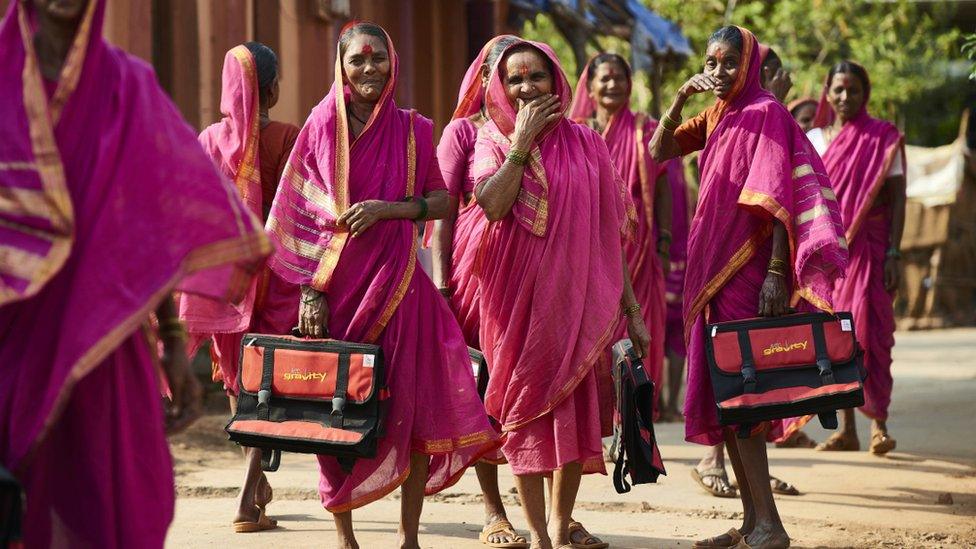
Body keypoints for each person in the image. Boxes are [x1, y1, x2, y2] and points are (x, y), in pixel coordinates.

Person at [0, 0, 270, 547]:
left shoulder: (128, 87)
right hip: (13, 335)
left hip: (106, 335)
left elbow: (155, 231)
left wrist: (172, 339)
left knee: (112, 503)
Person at [265, 22, 500, 549]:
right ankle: (345, 536)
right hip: (334, 292)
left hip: (400, 288)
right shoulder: (321, 126)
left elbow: (443, 201)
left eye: (379, 59)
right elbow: (296, 211)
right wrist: (310, 291)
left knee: (411, 408)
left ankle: (407, 536)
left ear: (394, 64)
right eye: (358, 60)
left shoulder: (416, 129)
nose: (369, 69)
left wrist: (390, 210)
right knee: (337, 413)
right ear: (341, 67)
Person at [650, 26, 848, 548]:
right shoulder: (718, 112)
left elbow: (778, 197)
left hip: (750, 273)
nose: (717, 73)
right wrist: (678, 98)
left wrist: (779, 273)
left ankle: (771, 525)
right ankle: (749, 522)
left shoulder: (765, 113)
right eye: (710, 63)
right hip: (715, 271)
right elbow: (658, 149)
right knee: (730, 399)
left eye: (727, 63)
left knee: (747, 400)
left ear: (750, 64)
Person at [472, 38, 651, 549]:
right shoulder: (491, 138)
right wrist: (521, 143)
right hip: (512, 306)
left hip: (575, 301)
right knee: (523, 411)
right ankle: (537, 536)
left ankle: (559, 523)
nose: (528, 87)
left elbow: (610, 229)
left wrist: (631, 310)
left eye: (538, 77)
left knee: (571, 412)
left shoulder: (587, 142)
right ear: (500, 88)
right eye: (516, 80)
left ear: (557, 80)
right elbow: (492, 204)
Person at [178, 41, 300, 532]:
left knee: (237, 382)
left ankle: (256, 484)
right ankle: (248, 497)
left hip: (225, 279)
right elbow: (301, 208)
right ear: (272, 89)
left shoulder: (208, 139)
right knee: (264, 381)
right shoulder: (289, 137)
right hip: (277, 277)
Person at [431, 34, 531, 549]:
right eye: (504, 73)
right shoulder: (463, 133)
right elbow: (445, 214)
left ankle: (545, 514)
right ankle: (494, 509)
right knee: (485, 394)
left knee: (530, 390)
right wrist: (442, 286)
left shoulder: (551, 131)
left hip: (535, 284)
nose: (515, 85)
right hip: (478, 282)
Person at [568, 53, 672, 432]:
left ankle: (633, 419)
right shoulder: (574, 131)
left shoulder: (645, 128)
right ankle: (600, 418)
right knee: (597, 333)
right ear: (590, 86)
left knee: (640, 332)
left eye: (620, 78)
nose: (613, 85)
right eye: (605, 79)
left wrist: (664, 236)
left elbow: (661, 184)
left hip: (638, 249)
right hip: (590, 247)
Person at [808, 61, 905, 456]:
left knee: (871, 333)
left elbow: (897, 197)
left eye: (854, 90)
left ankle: (878, 424)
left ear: (866, 93)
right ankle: (846, 429)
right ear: (827, 92)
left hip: (870, 249)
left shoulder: (882, 138)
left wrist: (895, 251)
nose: (846, 97)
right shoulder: (814, 138)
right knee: (835, 339)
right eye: (838, 89)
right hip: (830, 256)